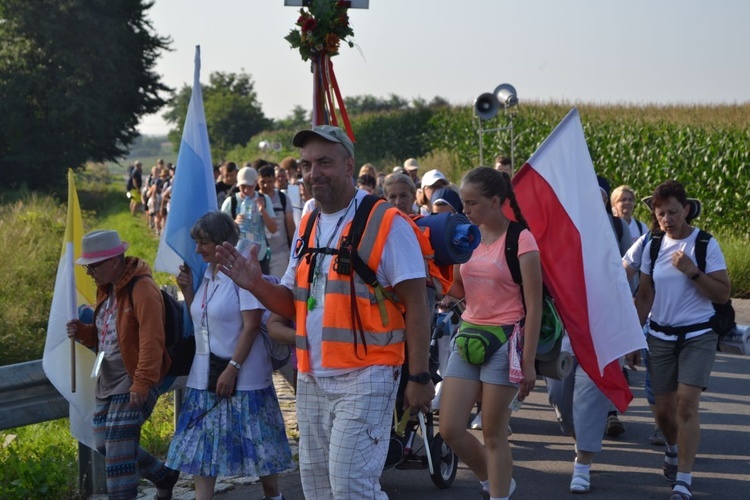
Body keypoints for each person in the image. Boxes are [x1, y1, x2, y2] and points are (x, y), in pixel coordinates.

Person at [214, 125, 434, 499]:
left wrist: (419, 375)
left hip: (368, 375)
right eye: (306, 164)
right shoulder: (310, 221)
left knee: (350, 487)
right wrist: (256, 285)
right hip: (312, 376)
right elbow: (293, 302)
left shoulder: (387, 223)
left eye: (324, 163)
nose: (313, 173)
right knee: (317, 489)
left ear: (349, 166)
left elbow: (417, 304)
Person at [165, 212, 292, 500]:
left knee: (259, 445)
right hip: (205, 376)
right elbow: (202, 323)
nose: (198, 249)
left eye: (203, 243)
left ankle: (273, 496)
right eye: (196, 243)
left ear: (222, 242)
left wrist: (233, 368)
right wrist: (188, 291)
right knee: (201, 445)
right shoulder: (208, 275)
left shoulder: (243, 272)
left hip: (244, 377)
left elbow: (250, 325)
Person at [439, 167, 542, 500]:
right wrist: (446, 296)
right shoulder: (464, 235)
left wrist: (528, 363)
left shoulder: (521, 239)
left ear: (496, 201)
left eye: (472, 203)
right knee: (450, 428)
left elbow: (535, 306)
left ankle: (498, 492)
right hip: (468, 334)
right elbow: (458, 286)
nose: (465, 211)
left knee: (494, 434)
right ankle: (496, 480)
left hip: (505, 341)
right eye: (463, 204)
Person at [634, 180, 730, 500]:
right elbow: (645, 293)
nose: (667, 219)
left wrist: (692, 271)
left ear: (686, 209)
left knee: (686, 405)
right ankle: (672, 450)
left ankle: (684, 479)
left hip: (698, 335)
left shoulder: (704, 243)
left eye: (673, 212)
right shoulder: (652, 244)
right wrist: (634, 335)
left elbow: (722, 292)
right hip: (659, 335)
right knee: (663, 413)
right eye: (661, 214)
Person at [66, 230, 179, 500]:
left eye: (93, 266)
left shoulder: (143, 289)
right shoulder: (107, 289)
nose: (90, 272)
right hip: (107, 383)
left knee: (118, 454)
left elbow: (152, 339)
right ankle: (164, 476)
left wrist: (142, 383)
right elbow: (107, 334)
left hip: (134, 381)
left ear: (114, 261)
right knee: (104, 443)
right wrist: (82, 331)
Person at [221, 166, 277, 275]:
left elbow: (273, 229)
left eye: (250, 186)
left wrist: (263, 211)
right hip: (236, 257)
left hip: (259, 256)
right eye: (243, 186)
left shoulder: (264, 199)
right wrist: (234, 223)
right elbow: (220, 231)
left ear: (256, 183)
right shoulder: (231, 201)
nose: (246, 190)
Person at [258, 164, 295, 278]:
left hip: (280, 253)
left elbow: (290, 224)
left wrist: (294, 252)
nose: (266, 185)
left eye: (270, 181)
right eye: (263, 181)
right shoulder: (254, 199)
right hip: (259, 254)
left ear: (274, 180)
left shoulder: (283, 198)